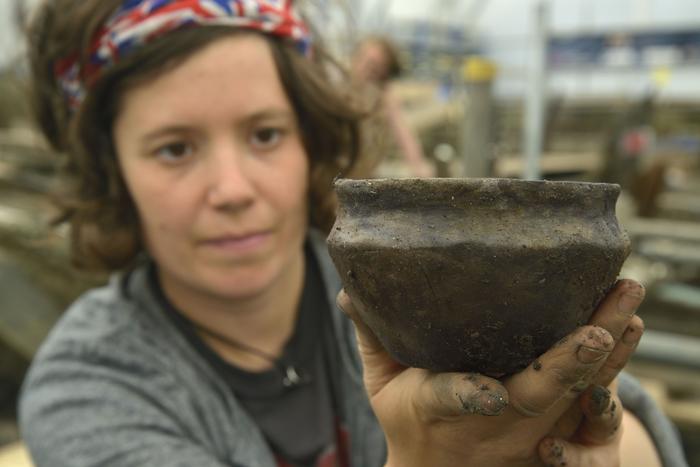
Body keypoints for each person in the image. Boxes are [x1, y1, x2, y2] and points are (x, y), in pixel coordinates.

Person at [19, 1, 687, 466]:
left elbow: (630, 434)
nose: (232, 189)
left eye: (264, 134)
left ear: (311, 141)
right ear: (112, 172)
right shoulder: (88, 386)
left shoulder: (415, 289)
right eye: (174, 149)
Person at [350, 36, 436, 178]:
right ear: (355, 58)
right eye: (365, 61)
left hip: (362, 172)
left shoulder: (383, 96)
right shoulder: (337, 86)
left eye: (375, 68)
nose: (365, 70)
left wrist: (419, 166)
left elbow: (403, 131)